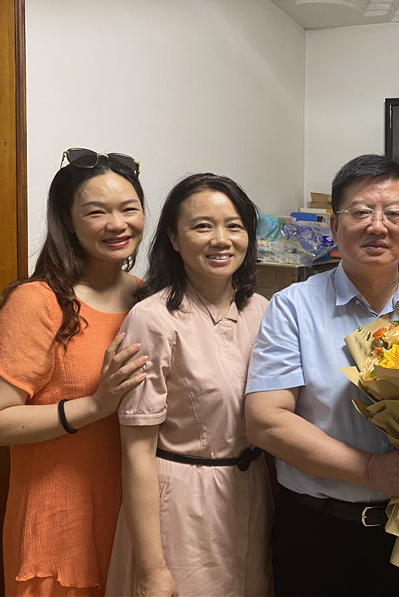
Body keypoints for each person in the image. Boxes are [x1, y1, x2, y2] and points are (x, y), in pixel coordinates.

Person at [245, 154, 399, 597]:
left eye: (392, 214)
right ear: (335, 226)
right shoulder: (293, 306)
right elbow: (266, 421)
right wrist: (372, 470)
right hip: (319, 532)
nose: (378, 226)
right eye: (360, 212)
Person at [0, 149, 147, 597]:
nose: (118, 224)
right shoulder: (38, 302)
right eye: (96, 212)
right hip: (59, 529)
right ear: (68, 221)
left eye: (129, 208)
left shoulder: (148, 299)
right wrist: (94, 406)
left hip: (134, 523)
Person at [104, 174, 272, 597]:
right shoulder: (152, 319)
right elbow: (136, 452)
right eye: (202, 226)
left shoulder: (263, 310)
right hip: (182, 505)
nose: (221, 240)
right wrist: (152, 569)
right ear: (174, 239)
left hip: (253, 493)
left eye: (234, 226)